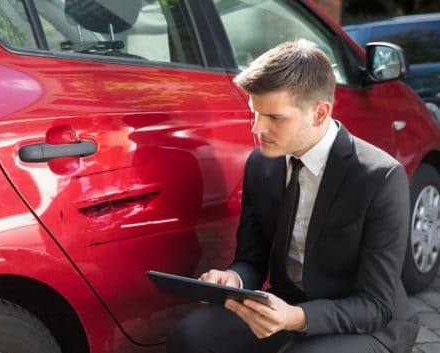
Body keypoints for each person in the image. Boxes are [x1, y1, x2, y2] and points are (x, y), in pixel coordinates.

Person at [167, 39, 419, 353]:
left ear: (319, 113)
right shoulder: (261, 164)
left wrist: (296, 317)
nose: (257, 128)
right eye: (255, 113)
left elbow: (374, 305)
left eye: (275, 118)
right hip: (285, 305)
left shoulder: (379, 177)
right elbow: (251, 260)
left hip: (366, 322)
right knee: (190, 335)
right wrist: (233, 278)